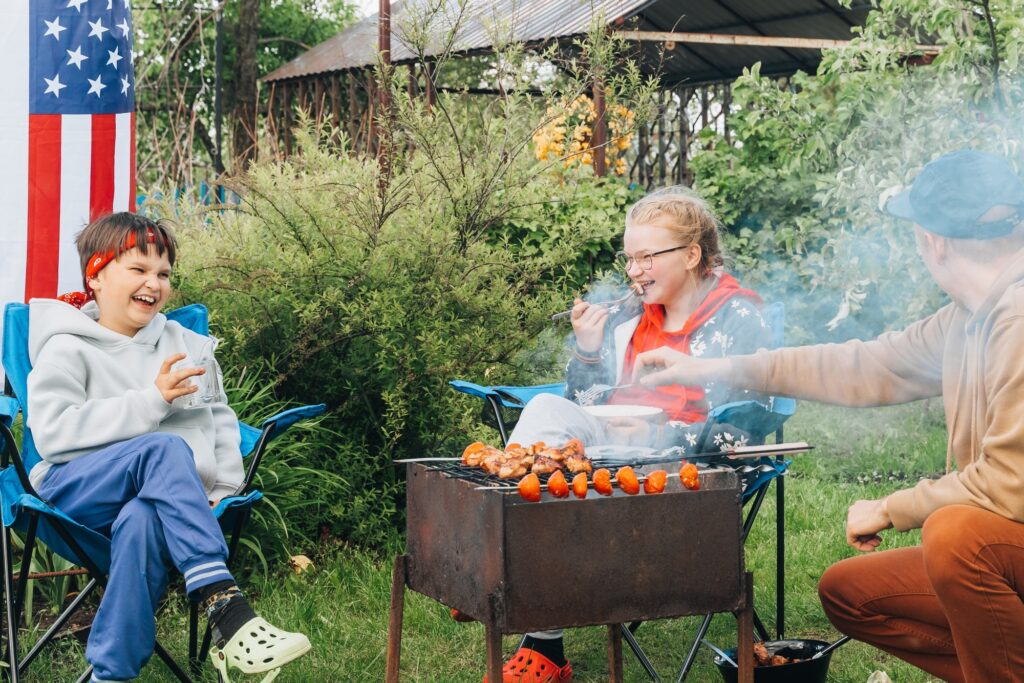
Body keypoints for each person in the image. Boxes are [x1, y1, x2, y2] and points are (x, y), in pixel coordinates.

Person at [631, 150, 1024, 683]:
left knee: (956, 535)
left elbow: (1009, 483)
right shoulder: (969, 317)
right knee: (851, 593)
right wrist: (708, 367)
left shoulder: (1017, 319)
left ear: (933, 241)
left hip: (1003, 533)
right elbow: (865, 365)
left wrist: (889, 507)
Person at [490, 187, 774, 683]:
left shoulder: (739, 318)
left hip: (686, 462)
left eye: (647, 257)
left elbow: (748, 421)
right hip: (612, 445)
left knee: (575, 470)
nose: (634, 271)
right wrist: (587, 349)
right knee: (544, 409)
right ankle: (502, 558)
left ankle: (535, 626)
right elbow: (586, 402)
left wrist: (660, 435)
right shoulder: (631, 314)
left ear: (691, 255)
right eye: (629, 258)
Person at [26, 213, 311, 682]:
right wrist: (151, 402)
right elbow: (53, 434)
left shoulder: (185, 344)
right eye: (138, 269)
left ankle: (109, 675)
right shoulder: (67, 347)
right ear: (95, 277)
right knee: (161, 448)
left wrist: (223, 487)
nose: (153, 284)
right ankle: (223, 602)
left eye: (163, 274)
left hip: (165, 500)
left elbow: (219, 421)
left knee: (142, 519)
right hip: (75, 490)